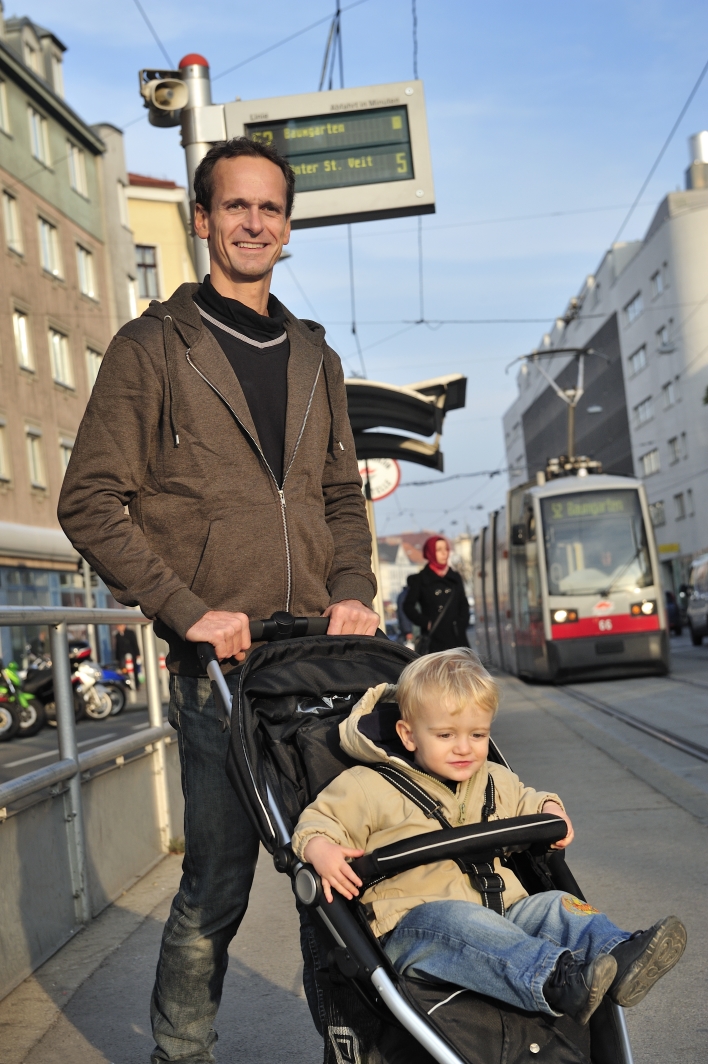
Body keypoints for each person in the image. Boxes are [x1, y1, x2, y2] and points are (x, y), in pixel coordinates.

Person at [58, 136, 378, 1063]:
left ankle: (356, 1047)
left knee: (348, 870)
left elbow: (340, 498)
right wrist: (185, 608)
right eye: (234, 207)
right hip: (221, 672)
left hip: (320, 660)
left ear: (288, 228)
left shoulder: (317, 357)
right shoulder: (152, 347)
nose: (253, 223)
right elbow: (88, 499)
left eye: (270, 209)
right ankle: (180, 1052)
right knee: (219, 884)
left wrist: (353, 591)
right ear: (203, 222)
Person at [292, 649, 686, 1026]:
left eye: (478, 735)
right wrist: (319, 847)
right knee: (457, 919)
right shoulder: (367, 786)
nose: (465, 748)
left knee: (555, 904)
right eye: (446, 735)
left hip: (503, 911)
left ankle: (619, 954)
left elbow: (530, 801)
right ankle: (557, 979)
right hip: (419, 926)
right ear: (408, 735)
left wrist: (551, 810)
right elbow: (320, 820)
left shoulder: (494, 780)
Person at [403, 535, 469, 652]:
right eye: (439, 550)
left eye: (446, 549)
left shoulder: (455, 577)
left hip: (457, 637)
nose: (444, 553)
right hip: (434, 639)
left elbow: (463, 603)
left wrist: (461, 623)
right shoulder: (421, 579)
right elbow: (408, 606)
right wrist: (426, 623)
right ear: (430, 553)